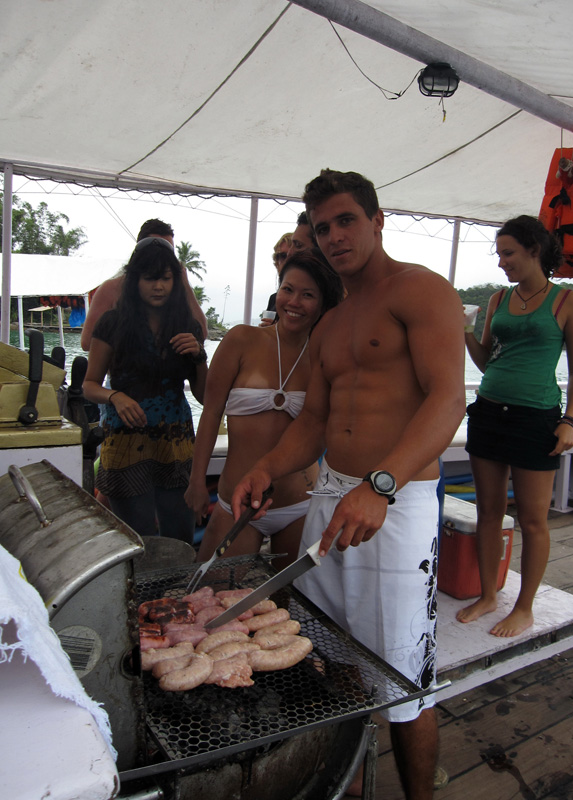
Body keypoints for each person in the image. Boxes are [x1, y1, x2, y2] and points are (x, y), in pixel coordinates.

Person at [231, 169, 466, 800]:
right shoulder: (331, 323)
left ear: (376, 220)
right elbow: (314, 420)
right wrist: (266, 467)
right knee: (329, 653)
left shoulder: (421, 290)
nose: (334, 236)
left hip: (396, 503)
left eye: (346, 221)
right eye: (322, 227)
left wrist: (381, 485)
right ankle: (351, 780)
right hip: (331, 498)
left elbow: (448, 399)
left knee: (404, 675)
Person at [456, 215, 573, 637]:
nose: (502, 262)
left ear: (534, 250)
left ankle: (525, 607)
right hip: (489, 412)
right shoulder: (499, 299)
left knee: (533, 520)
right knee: (488, 513)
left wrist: (569, 421)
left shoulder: (567, 302)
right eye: (499, 255)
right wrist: (466, 331)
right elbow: (487, 362)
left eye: (508, 253)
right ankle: (489, 595)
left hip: (536, 418)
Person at [185, 250, 344, 569]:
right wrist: (196, 480)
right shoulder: (241, 340)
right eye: (288, 289)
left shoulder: (324, 357)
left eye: (308, 295)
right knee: (211, 592)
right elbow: (211, 413)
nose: (294, 302)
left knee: (290, 599)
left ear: (322, 304)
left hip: (300, 503)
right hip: (236, 502)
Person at [83, 237, 208, 544]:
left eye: (165, 278)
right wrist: (115, 396)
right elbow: (89, 385)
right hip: (126, 444)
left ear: (175, 282)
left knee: (179, 540)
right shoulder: (112, 324)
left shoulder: (187, 327)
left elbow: (205, 397)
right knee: (139, 543)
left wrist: (199, 356)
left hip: (176, 445)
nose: (158, 287)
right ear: (134, 280)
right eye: (150, 278)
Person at [80, 218, 207, 350]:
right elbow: (87, 342)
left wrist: (184, 282)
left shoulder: (177, 291)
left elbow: (201, 334)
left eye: (167, 250)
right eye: (154, 249)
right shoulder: (112, 289)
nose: (160, 255)